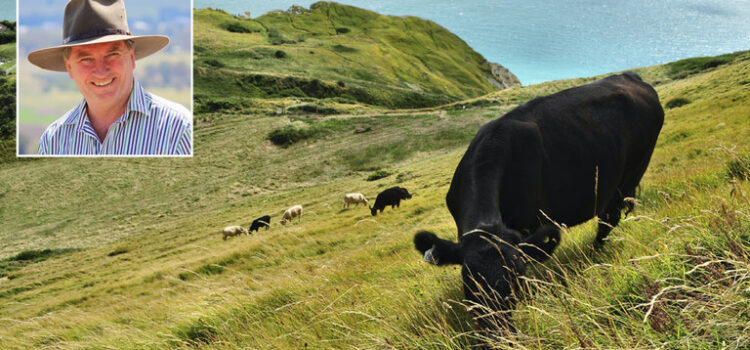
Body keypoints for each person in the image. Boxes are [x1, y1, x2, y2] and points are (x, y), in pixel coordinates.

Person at [28, 0, 192, 156]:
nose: (100, 70)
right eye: (85, 59)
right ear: (69, 67)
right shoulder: (53, 141)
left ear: (132, 57)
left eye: (112, 54)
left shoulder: (178, 130)